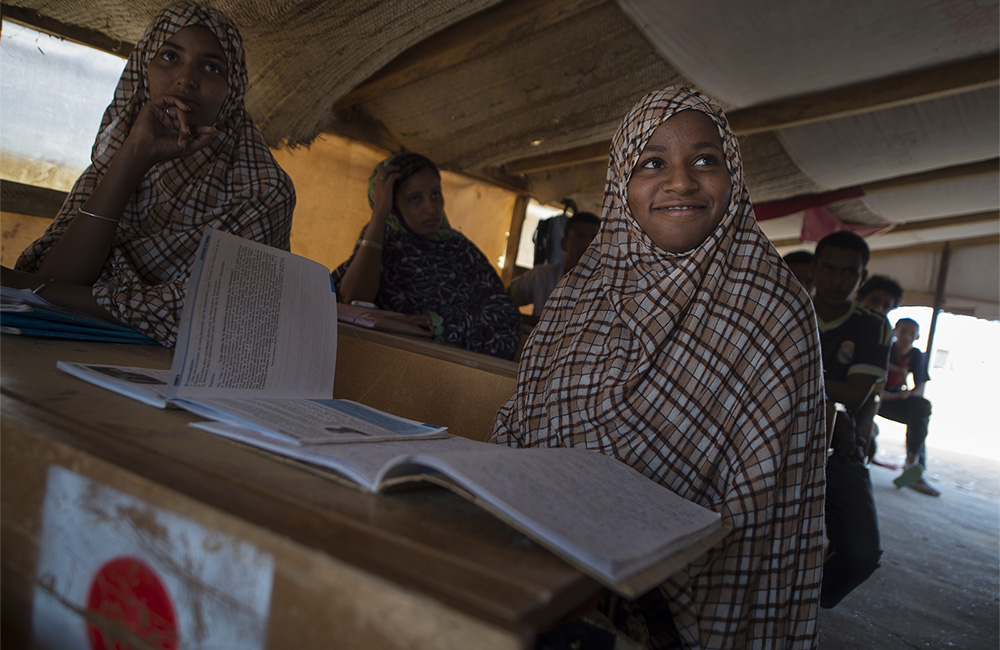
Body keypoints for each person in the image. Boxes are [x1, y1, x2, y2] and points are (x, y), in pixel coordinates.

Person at [492, 87, 826, 648]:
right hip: (534, 551)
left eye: (704, 160)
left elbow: (760, 506)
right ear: (622, 181)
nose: (680, 181)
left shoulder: (773, 306)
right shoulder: (582, 289)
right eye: (652, 162)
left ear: (733, 176)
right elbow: (520, 417)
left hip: (674, 604)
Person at [3, 3, 295, 347]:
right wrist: (135, 157)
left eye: (212, 67)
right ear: (144, 69)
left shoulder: (264, 191)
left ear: (231, 91)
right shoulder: (116, 155)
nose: (187, 77)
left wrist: (36, 289)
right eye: (170, 57)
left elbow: (210, 314)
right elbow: (54, 276)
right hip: (70, 354)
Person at [332, 152, 522, 360]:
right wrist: (379, 216)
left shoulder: (460, 249)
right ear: (391, 204)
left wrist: (444, 324)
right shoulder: (379, 241)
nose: (430, 208)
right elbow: (352, 299)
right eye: (414, 199)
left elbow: (506, 316)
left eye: (435, 194)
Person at [811, 230, 891, 609]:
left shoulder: (872, 324)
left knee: (861, 555)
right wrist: (834, 396)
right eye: (829, 268)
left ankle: (808, 601)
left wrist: (796, 380)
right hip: (772, 436)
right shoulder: (787, 309)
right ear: (815, 268)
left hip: (838, 445)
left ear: (862, 277)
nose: (837, 279)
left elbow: (858, 394)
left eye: (849, 272)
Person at [507, 211, 601, 323]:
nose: (587, 244)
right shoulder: (542, 276)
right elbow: (504, 299)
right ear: (564, 243)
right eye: (579, 236)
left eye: (594, 239)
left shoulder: (607, 287)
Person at [881, 318, 939, 496]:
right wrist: (897, 371)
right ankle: (915, 471)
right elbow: (872, 387)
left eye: (912, 333)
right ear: (895, 331)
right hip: (876, 399)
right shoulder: (883, 349)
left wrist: (903, 395)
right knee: (919, 418)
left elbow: (919, 389)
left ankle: (912, 464)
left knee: (921, 409)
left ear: (917, 336)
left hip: (895, 400)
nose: (907, 336)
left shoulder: (917, 356)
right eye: (903, 331)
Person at [855, 274, 906, 466]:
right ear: (859, 299)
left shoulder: (882, 334)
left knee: (863, 448)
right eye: (874, 301)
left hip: (862, 403)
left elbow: (875, 389)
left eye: (886, 306)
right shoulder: (843, 324)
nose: (879, 308)